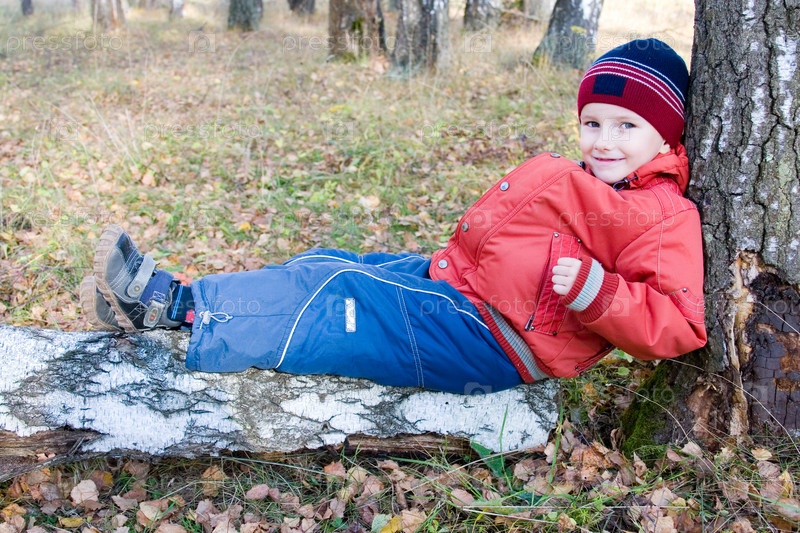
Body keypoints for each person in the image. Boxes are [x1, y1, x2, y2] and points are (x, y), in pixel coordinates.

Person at [80, 38, 707, 394]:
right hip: (463, 292)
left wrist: (598, 293)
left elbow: (679, 324)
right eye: (593, 122)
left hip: (498, 340)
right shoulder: (599, 182)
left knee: (342, 295)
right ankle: (201, 308)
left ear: (666, 135)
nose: (603, 141)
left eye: (627, 127)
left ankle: (175, 307)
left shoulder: (661, 215)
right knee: (329, 262)